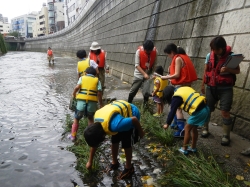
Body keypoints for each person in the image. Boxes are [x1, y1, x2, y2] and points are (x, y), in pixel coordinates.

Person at [83, 100, 145, 179]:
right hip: (116, 117)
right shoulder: (97, 125)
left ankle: (129, 168)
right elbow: (94, 144)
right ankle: (114, 162)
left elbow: (134, 119)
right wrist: (90, 162)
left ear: (102, 136)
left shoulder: (115, 126)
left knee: (127, 143)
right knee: (114, 140)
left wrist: (141, 132)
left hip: (132, 113)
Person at [201, 36, 240, 146]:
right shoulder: (209, 56)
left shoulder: (232, 57)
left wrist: (228, 69)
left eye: (217, 49)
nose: (215, 51)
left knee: (225, 111)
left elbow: (237, 71)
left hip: (225, 89)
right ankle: (205, 129)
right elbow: (205, 71)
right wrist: (203, 85)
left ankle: (226, 136)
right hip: (211, 87)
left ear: (222, 48)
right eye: (213, 49)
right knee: (207, 109)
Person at [161, 43, 197, 137]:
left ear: (172, 52)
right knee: (178, 107)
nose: (169, 57)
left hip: (180, 87)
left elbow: (177, 75)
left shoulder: (177, 58)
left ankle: (181, 131)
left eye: (168, 54)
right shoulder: (184, 57)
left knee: (178, 108)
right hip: (187, 85)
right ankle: (176, 124)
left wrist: (166, 77)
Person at [162, 86, 210, 155]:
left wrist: (167, 123)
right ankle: (193, 147)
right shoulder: (181, 89)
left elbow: (172, 111)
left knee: (187, 128)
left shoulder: (176, 97)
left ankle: (184, 149)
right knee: (194, 128)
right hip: (205, 108)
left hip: (199, 112)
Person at [68, 67, 103, 141]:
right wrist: (101, 104)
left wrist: (74, 94)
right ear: (95, 74)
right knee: (90, 119)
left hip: (81, 103)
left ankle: (73, 136)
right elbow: (99, 93)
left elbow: (77, 87)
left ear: (86, 73)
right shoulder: (97, 80)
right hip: (92, 104)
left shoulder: (82, 78)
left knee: (77, 119)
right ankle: (90, 138)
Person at [128, 40, 157, 106]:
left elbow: (155, 63)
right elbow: (137, 65)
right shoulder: (138, 52)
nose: (149, 52)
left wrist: (153, 73)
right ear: (144, 48)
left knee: (146, 90)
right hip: (139, 74)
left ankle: (145, 105)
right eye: (147, 51)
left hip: (148, 73)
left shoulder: (155, 52)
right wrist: (144, 74)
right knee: (133, 90)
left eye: (150, 51)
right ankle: (129, 103)